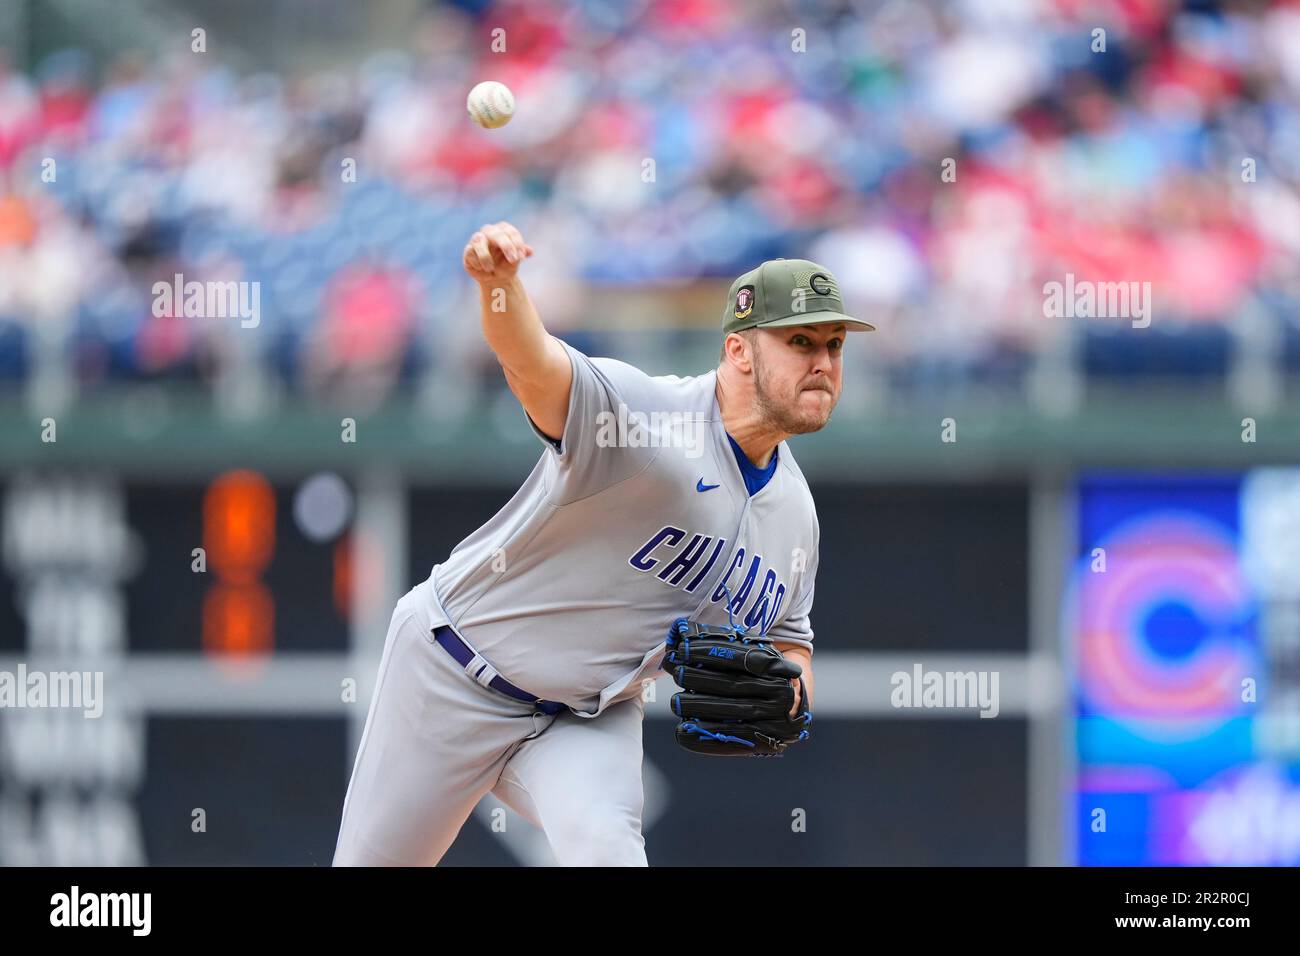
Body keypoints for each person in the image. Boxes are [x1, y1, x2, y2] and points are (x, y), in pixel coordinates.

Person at [333, 221, 874, 866]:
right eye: (800, 341)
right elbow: (533, 366)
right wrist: (500, 286)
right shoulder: (643, 417)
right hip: (452, 671)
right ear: (739, 352)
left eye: (834, 345)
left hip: (587, 717)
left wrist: (789, 693)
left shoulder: (795, 515)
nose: (823, 363)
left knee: (607, 853)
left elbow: (790, 641)